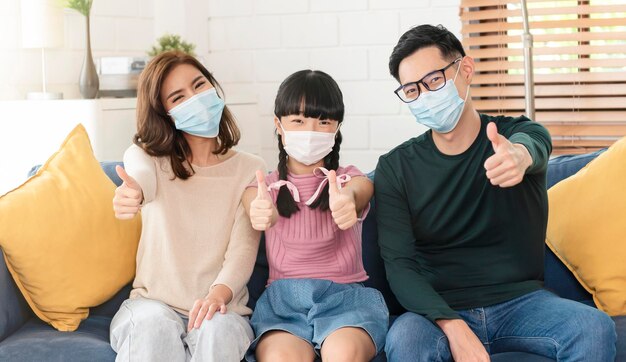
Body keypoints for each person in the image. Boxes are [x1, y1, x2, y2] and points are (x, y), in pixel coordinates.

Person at [376, 24, 616, 362]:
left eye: (433, 81)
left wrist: (518, 157)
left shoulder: (517, 133)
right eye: (412, 90)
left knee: (593, 327)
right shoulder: (395, 167)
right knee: (406, 339)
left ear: (466, 69)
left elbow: (532, 146)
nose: (426, 96)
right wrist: (453, 326)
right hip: (438, 310)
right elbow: (399, 266)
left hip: (523, 302)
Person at [109, 51, 266, 362]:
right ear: (164, 113)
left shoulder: (251, 168)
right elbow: (137, 168)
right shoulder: (151, 161)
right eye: (178, 97)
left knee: (216, 329)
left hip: (222, 307)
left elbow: (243, 251)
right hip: (151, 305)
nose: (195, 99)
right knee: (154, 326)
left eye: (199, 85)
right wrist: (135, 191)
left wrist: (216, 296)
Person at [242, 70, 389, 362]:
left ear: (336, 128)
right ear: (278, 124)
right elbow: (253, 203)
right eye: (298, 120)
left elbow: (362, 190)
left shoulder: (349, 179)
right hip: (283, 304)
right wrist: (260, 210)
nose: (311, 130)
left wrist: (348, 199)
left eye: (323, 122)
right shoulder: (264, 186)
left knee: (343, 354)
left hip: (346, 300)